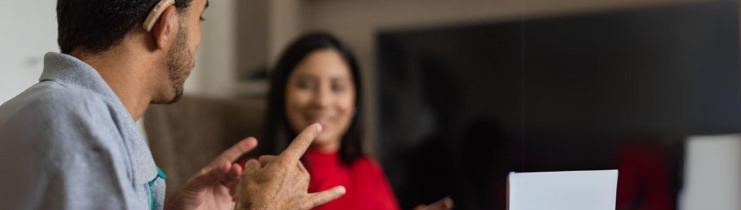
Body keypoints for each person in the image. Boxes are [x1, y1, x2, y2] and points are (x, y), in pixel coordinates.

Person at [0, 0, 344, 210]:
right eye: (199, 18)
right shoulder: (81, 126)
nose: (197, 39)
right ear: (165, 23)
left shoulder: (57, 111)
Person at [238, 33, 453, 210]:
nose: (322, 101)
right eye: (306, 85)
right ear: (282, 95)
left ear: (354, 100)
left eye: (337, 87)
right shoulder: (249, 175)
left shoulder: (368, 170)